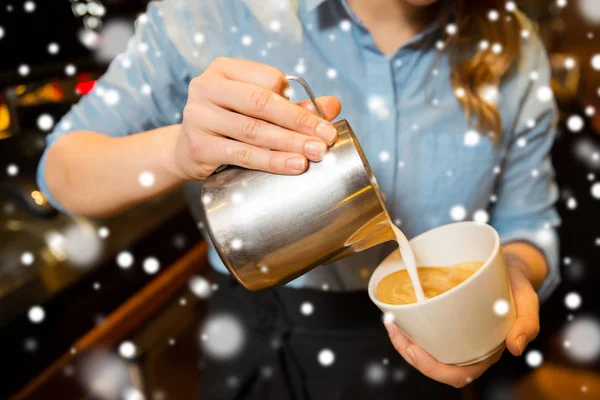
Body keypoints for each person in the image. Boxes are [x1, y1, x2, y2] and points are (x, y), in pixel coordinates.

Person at [38, 0, 560, 398]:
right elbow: (61, 171)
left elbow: (527, 224)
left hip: (431, 349)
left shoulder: (514, 45)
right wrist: (178, 152)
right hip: (263, 339)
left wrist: (504, 289)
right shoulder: (211, 13)